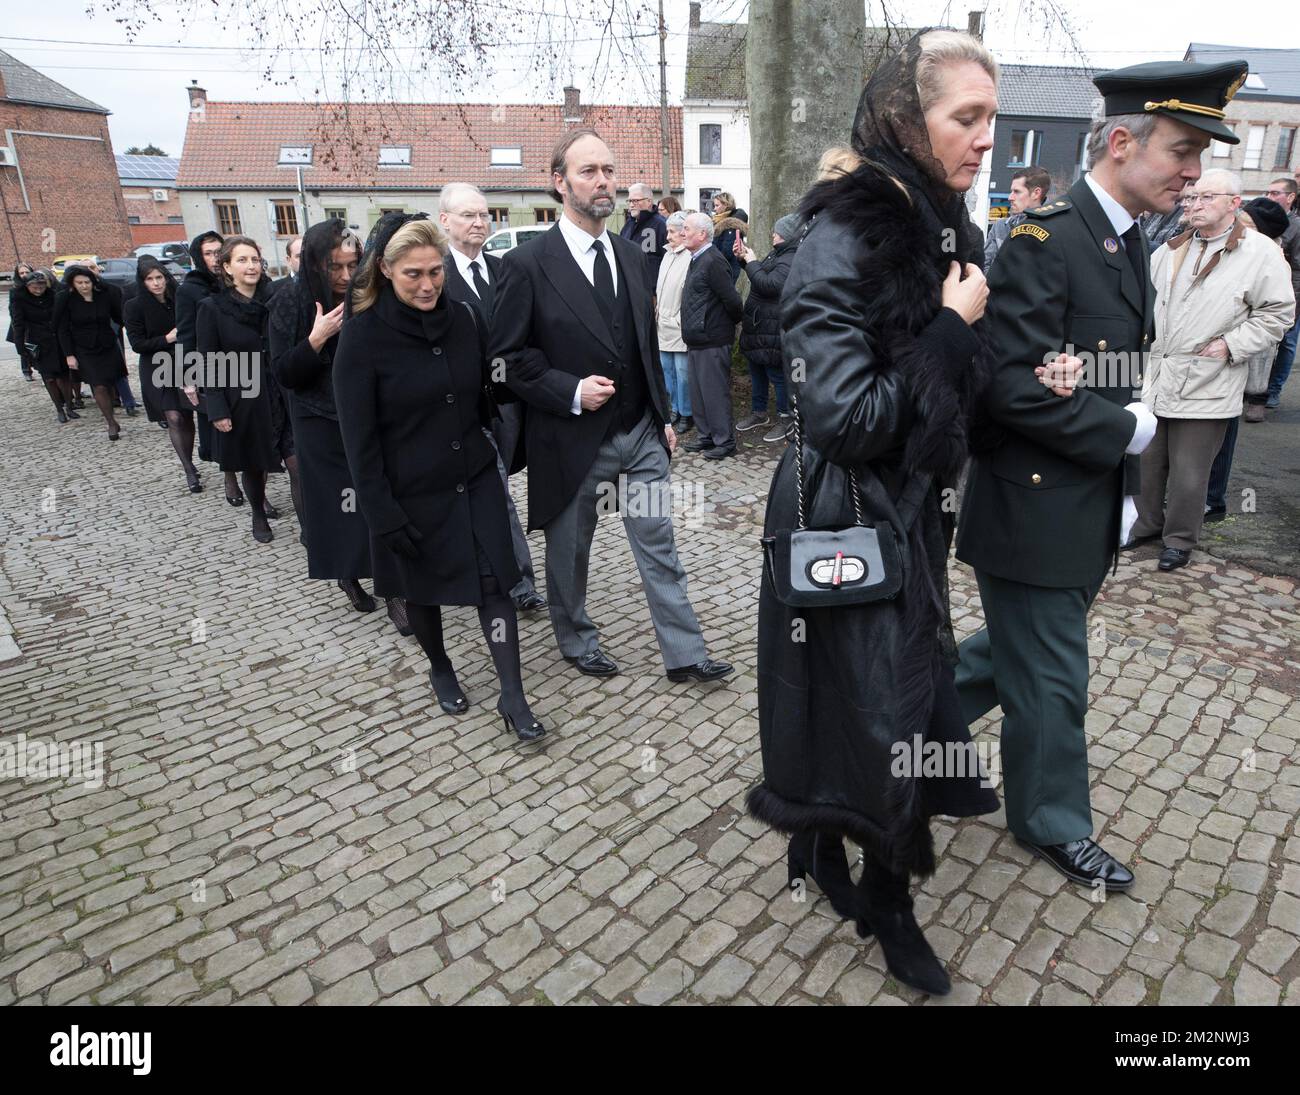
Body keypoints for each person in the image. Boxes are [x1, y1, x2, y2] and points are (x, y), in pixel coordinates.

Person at [955, 60, 1253, 895]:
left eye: (1198, 157)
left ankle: (886, 730)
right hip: (1030, 511)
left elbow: (1089, 370)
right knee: (1055, 679)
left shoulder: (1122, 239)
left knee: (1001, 658)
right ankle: (1052, 822)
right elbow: (1012, 387)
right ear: (1121, 142)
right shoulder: (1043, 239)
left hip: (1082, 508)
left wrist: (1121, 478)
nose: (1192, 171)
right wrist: (1127, 430)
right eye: (1183, 150)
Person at [747, 28, 1001, 998]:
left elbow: (954, 383)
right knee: (878, 716)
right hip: (841, 519)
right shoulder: (844, 237)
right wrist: (948, 329)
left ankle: (825, 852)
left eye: (991, 117)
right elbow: (844, 417)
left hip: (910, 521)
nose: (984, 139)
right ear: (905, 117)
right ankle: (884, 898)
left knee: (870, 709)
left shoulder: (937, 224)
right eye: (965, 118)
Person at [490, 128, 732, 685]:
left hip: (640, 433)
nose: (603, 181)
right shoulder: (526, 265)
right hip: (573, 440)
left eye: (607, 170)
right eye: (588, 172)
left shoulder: (630, 253)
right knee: (571, 553)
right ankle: (574, 637)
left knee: (660, 543)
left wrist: (665, 415)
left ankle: (684, 654)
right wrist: (570, 391)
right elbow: (504, 362)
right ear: (559, 183)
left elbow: (642, 344)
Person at [334, 214, 545, 742]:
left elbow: (486, 395)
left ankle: (512, 693)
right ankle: (441, 666)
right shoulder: (361, 337)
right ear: (385, 270)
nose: (428, 284)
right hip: (410, 491)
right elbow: (358, 439)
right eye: (413, 275)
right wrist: (381, 512)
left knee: (496, 584)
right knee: (421, 591)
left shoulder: (465, 319)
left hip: (473, 478)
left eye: (435, 272)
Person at [1130, 173, 1293, 570]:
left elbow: (1279, 313)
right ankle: (1147, 524)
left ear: (1233, 203)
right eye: (1190, 197)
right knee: (1148, 462)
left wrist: (1231, 345)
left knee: (1190, 471)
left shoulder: (1260, 252)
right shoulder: (1170, 248)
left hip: (1210, 377)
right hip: (1159, 374)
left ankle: (1180, 540)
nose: (1193, 204)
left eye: (1205, 197)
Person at [270, 219, 412, 634]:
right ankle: (346, 574)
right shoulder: (287, 302)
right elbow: (283, 373)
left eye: (352, 265)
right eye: (335, 268)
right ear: (315, 264)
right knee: (341, 510)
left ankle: (396, 592)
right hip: (318, 421)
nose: (346, 276)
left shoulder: (364, 295)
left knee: (379, 501)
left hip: (366, 414)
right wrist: (316, 339)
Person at [438, 181, 547, 615]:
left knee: (497, 488)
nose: (480, 222)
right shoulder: (435, 278)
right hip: (463, 409)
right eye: (469, 215)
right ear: (445, 221)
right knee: (493, 491)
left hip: (513, 401)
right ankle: (516, 580)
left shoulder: (506, 270)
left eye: (485, 214)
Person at [1204, 198, 1291, 521]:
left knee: (1223, 431)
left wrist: (1232, 342)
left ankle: (1213, 499)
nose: (1239, 228)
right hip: (1219, 353)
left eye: (1248, 224)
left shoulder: (1268, 258)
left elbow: (1275, 315)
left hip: (1240, 353)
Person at [195, 236, 285, 544]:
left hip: (279, 389)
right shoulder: (212, 308)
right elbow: (208, 361)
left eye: (255, 259)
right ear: (226, 268)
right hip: (242, 394)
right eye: (242, 260)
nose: (251, 266)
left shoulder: (274, 298)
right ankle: (258, 513)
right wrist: (217, 407)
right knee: (253, 461)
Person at [124, 256, 202, 491]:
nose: (156, 283)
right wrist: (166, 338)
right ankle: (189, 469)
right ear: (143, 282)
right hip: (156, 366)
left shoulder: (180, 299)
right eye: (150, 279)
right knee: (174, 418)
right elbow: (137, 343)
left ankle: (189, 460)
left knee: (187, 416)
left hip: (184, 362)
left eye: (159, 277)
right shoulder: (134, 306)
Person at [177, 231, 241, 506]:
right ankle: (230, 478)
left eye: (219, 251)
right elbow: (186, 335)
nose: (215, 258)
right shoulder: (189, 289)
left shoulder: (235, 283)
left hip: (243, 363)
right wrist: (188, 378)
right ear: (198, 257)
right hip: (211, 365)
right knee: (221, 427)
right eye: (209, 253)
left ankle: (254, 479)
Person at [680, 210, 742, 460]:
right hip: (697, 339)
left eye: (687, 229)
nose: (682, 233)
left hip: (712, 339)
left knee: (714, 393)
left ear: (702, 234)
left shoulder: (713, 261)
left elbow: (733, 301)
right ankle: (706, 436)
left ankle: (724, 441)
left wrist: (719, 327)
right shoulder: (697, 258)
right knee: (699, 393)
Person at [735, 212, 803, 442]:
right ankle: (759, 412)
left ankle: (786, 418)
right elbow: (759, 275)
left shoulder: (792, 258)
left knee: (777, 374)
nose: (773, 234)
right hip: (760, 324)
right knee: (757, 370)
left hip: (774, 327)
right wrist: (743, 260)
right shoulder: (778, 253)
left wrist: (752, 262)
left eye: (777, 231)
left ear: (787, 235)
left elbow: (769, 285)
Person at [56, 264, 128, 440]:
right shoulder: (67, 300)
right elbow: (62, 329)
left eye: (86, 281)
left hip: (107, 345)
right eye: (79, 282)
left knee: (110, 382)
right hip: (84, 348)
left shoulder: (104, 296)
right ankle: (110, 422)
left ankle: (113, 409)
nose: (84, 286)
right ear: (73, 284)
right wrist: (69, 355)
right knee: (98, 385)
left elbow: (119, 317)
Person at [11, 269, 77, 421]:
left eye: (41, 285)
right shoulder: (20, 299)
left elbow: (63, 317)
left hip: (58, 340)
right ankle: (59, 409)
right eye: (35, 286)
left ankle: (69, 405)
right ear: (27, 286)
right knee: (49, 378)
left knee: (63, 377)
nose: (39, 289)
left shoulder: (53, 295)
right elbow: (18, 324)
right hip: (39, 342)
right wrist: (20, 348)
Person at [654, 210, 694, 433]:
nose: (667, 236)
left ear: (682, 233)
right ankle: (674, 409)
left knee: (683, 372)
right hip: (662, 323)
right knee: (666, 369)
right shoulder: (667, 254)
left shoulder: (689, 257)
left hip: (678, 324)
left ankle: (687, 413)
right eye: (668, 231)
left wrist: (679, 319)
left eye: (672, 232)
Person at [1264, 177, 1300, 409]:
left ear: (1290, 197)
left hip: (1291, 293)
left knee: (1286, 342)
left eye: (1275, 193)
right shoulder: (1263, 221)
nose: (1269, 197)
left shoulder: (1296, 225)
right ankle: (1255, 389)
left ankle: (1273, 390)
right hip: (1264, 290)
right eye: (1268, 192)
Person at [983, 165, 1051, 267]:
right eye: (1011, 191)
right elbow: (984, 267)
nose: (1010, 197)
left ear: (1036, 193)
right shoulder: (1000, 227)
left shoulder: (1054, 229)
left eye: (1017, 192)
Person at [619, 181, 668, 283]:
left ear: (649, 201)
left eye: (636, 201)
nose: (631, 205)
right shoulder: (628, 225)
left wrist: (656, 291)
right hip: (629, 287)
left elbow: (668, 261)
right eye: (629, 201)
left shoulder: (661, 225)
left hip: (650, 291)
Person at [7, 262, 37, 380]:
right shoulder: (15, 289)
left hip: (34, 320)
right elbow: (12, 309)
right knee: (24, 344)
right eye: (21, 273)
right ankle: (26, 370)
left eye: (26, 272)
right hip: (21, 321)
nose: (24, 275)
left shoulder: (36, 284)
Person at [710, 192, 748, 281]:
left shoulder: (731, 225)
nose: (714, 209)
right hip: (722, 267)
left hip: (727, 270)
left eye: (717, 205)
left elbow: (727, 252)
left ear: (726, 205)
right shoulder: (719, 221)